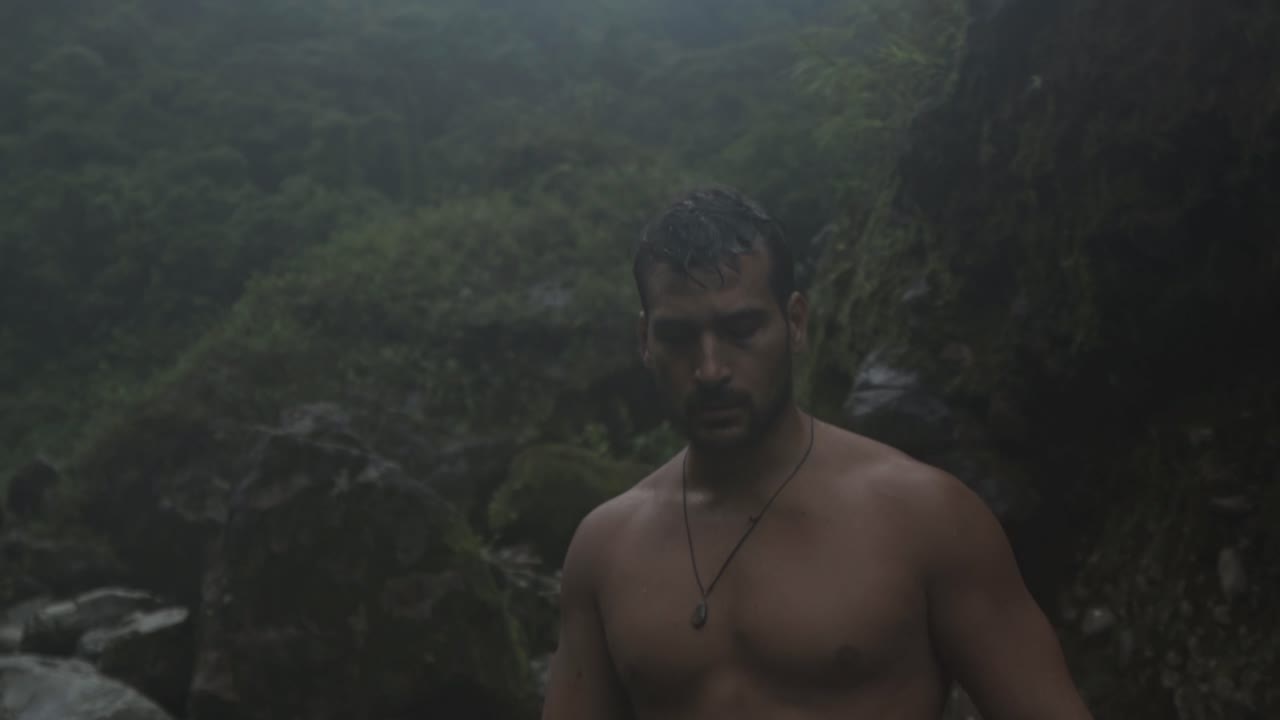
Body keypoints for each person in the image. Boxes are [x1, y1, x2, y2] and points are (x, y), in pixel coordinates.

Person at [540, 186, 1094, 719]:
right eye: (679, 337)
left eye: (741, 329)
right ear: (645, 342)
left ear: (795, 322)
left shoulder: (924, 517)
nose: (710, 369)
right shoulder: (605, 549)